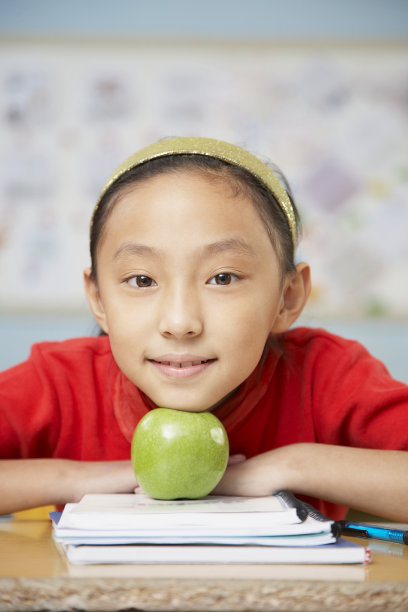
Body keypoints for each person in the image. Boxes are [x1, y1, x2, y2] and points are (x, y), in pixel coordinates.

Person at [1, 136, 408, 520]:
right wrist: (76, 479)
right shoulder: (60, 382)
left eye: (223, 278)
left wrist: (295, 464)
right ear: (99, 300)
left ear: (287, 298)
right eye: (142, 280)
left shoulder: (327, 373)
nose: (180, 323)